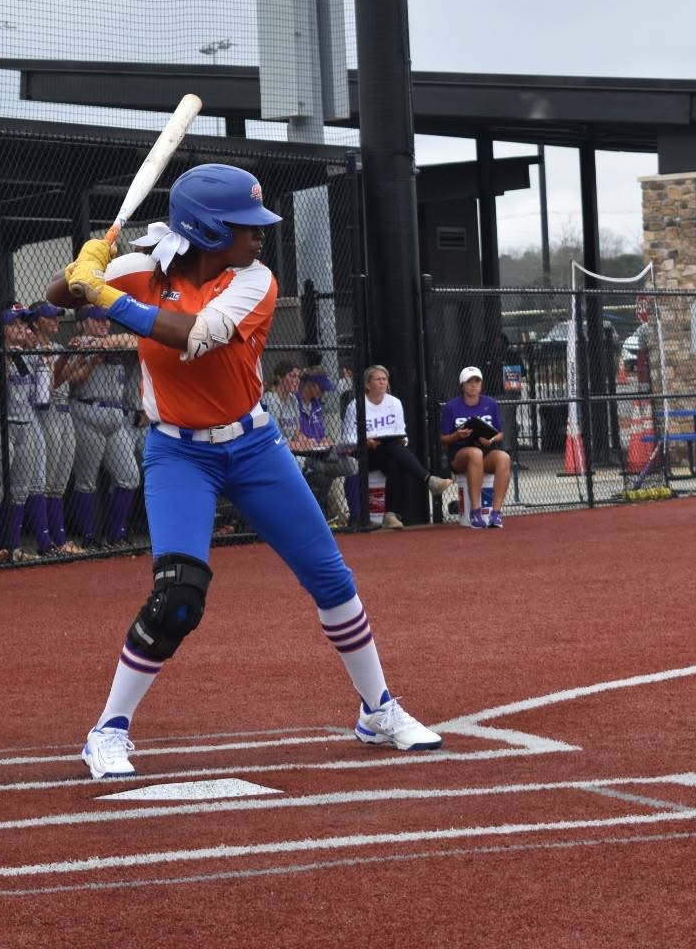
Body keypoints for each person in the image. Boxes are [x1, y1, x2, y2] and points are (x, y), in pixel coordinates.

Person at [48, 162, 442, 779]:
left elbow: (194, 335)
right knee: (178, 594)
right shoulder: (141, 271)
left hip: (255, 447)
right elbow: (59, 295)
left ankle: (378, 710)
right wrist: (88, 266)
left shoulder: (255, 280)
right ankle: (109, 729)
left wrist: (103, 294)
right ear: (204, 230)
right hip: (179, 453)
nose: (259, 235)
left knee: (331, 578)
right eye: (243, 226)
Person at [0, 303, 49, 565]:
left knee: (19, 490)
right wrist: (6, 357)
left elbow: (42, 396)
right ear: (4, 327)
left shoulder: (29, 349)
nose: (21, 329)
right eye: (15, 324)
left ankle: (14, 547)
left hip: (26, 423)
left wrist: (42, 358)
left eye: (23, 324)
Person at [342, 364, 454, 529]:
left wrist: (403, 440)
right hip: (365, 454)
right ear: (367, 384)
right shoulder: (356, 405)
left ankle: (390, 514)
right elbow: (348, 438)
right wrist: (366, 441)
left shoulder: (394, 403)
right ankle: (429, 480)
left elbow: (401, 433)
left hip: (388, 451)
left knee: (395, 455)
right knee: (395, 452)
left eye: (385, 379)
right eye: (378, 379)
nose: (382, 383)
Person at [67, 305, 142, 548]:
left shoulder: (114, 342)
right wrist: (92, 354)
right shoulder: (77, 344)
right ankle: (89, 538)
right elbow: (71, 381)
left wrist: (107, 343)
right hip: (87, 410)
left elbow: (136, 340)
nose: (104, 324)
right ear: (83, 323)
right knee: (87, 480)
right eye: (97, 320)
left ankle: (117, 534)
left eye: (106, 320)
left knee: (129, 476)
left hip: (115, 416)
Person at [26, 302, 86, 555]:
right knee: (47, 478)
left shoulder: (57, 347)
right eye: (50, 318)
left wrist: (80, 357)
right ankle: (46, 540)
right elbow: (50, 384)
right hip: (46, 412)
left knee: (61, 478)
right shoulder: (30, 348)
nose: (56, 322)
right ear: (36, 320)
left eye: (57, 317)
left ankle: (59, 539)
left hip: (65, 412)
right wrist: (61, 360)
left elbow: (65, 377)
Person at [439, 366, 511, 528]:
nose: (473, 385)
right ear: (462, 385)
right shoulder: (452, 406)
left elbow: (500, 433)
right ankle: (476, 511)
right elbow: (443, 439)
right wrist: (457, 435)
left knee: (504, 457)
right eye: (469, 382)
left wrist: (491, 439)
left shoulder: (490, 403)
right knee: (474, 453)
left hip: (485, 451)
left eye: (477, 381)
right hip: (460, 455)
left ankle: (496, 513)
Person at [294, 367, 358, 523]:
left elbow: (321, 436)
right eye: (321, 388)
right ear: (311, 384)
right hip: (303, 456)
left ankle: (356, 517)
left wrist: (325, 441)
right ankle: (318, 517)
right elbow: (298, 436)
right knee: (321, 476)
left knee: (352, 465)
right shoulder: (295, 401)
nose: (323, 393)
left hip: (320, 454)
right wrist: (316, 441)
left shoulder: (316, 405)